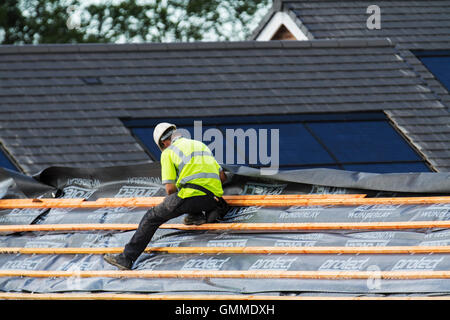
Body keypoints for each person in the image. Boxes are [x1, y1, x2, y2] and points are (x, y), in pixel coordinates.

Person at [104, 122, 227, 270]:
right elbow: (222, 177)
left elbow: (169, 189)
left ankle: (126, 258)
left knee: (152, 217)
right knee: (186, 197)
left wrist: (177, 194)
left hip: (193, 196)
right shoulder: (201, 145)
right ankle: (196, 216)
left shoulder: (169, 152)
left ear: (164, 142)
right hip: (213, 200)